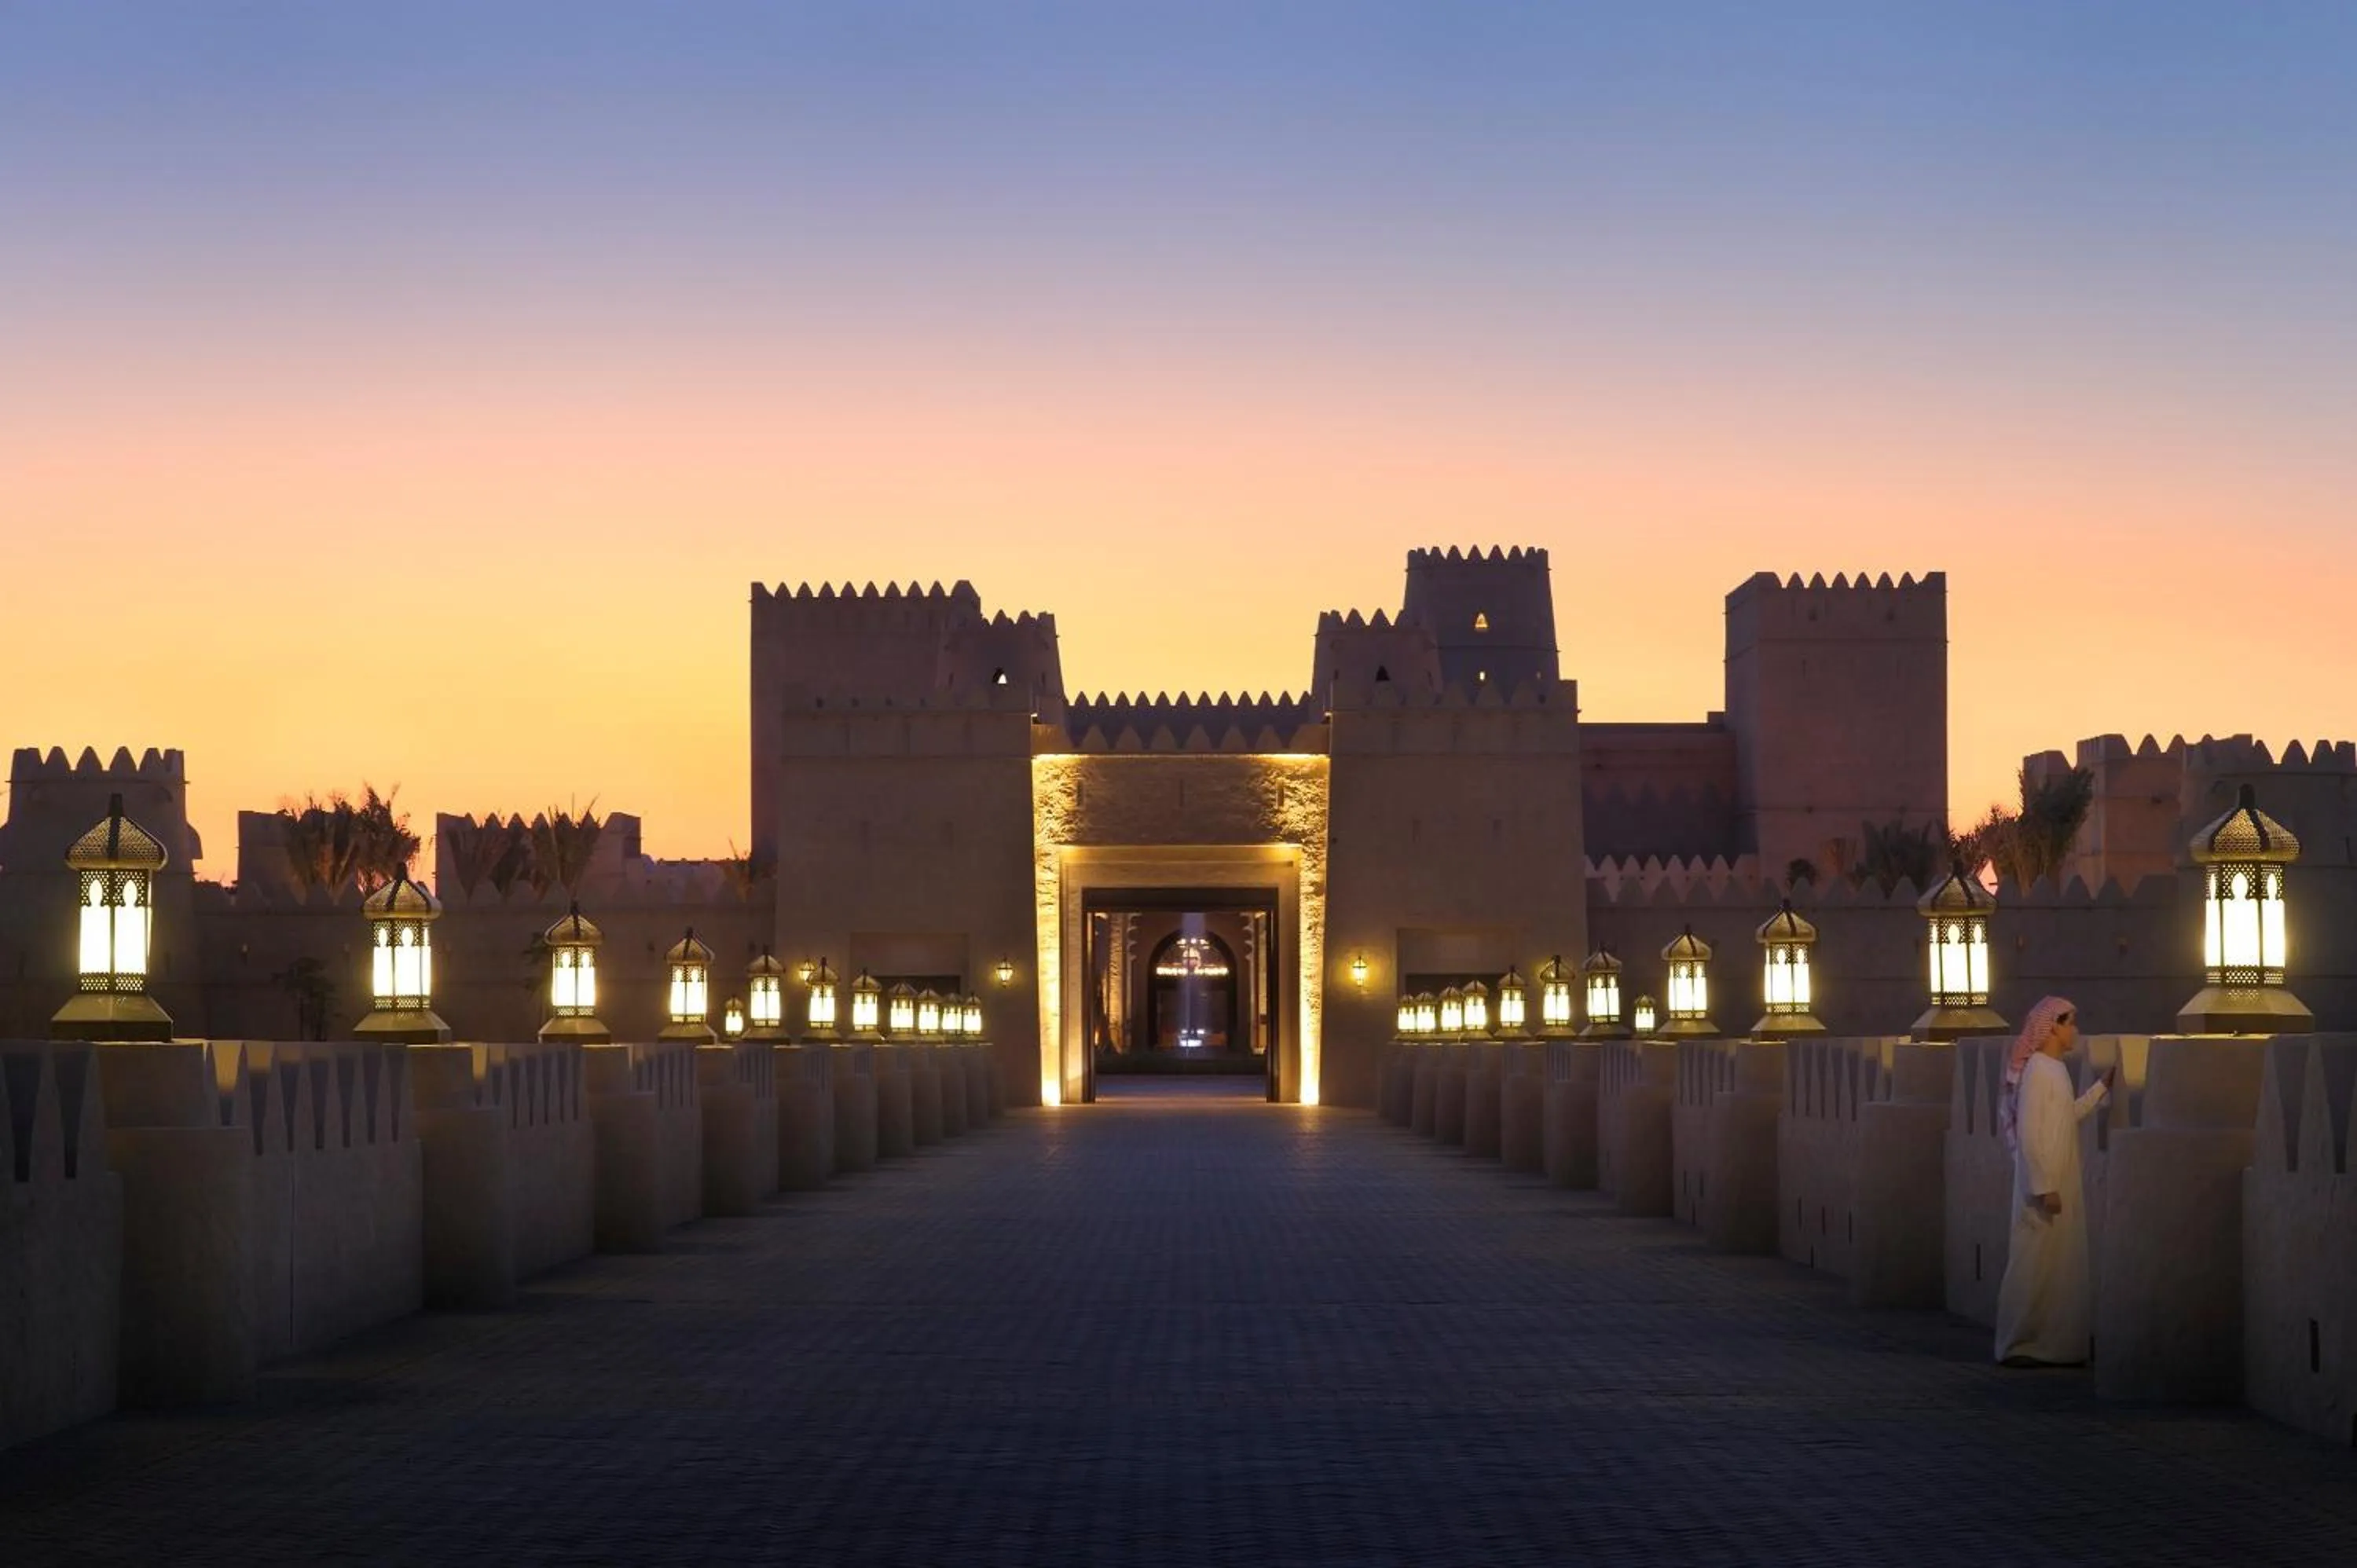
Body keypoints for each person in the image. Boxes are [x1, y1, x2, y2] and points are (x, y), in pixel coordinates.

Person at [1993, 995, 2113, 1367]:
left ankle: (2053, 1345)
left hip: (2059, 1183)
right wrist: (2044, 1187)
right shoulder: (2038, 1071)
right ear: (2053, 1028)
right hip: (2042, 1191)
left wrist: (2100, 1090)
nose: (2075, 1030)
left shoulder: (2055, 1070)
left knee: (2058, 1267)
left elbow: (2065, 1116)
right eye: (2070, 1023)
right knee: (2032, 1266)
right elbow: (2030, 1133)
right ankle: (2019, 1344)